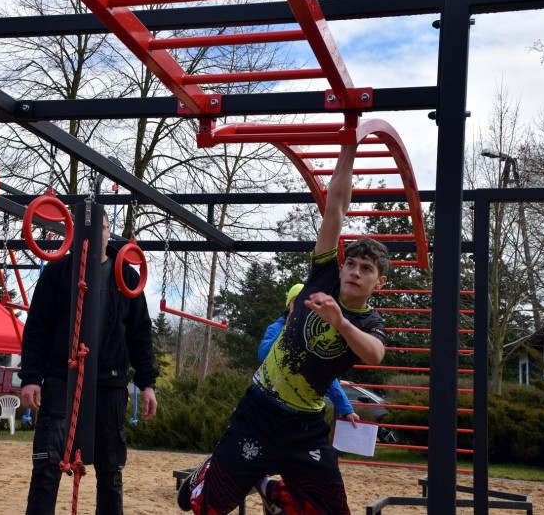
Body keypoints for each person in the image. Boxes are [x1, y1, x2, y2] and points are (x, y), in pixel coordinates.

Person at [178, 143, 389, 515]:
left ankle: (267, 487)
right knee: (201, 507)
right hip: (259, 410)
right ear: (341, 267)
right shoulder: (323, 275)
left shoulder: (368, 322)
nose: (355, 272)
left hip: (305, 426)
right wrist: (348, 144)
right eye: (352, 264)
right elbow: (336, 208)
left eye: (366, 269)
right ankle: (212, 475)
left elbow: (375, 354)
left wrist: (340, 322)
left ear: (379, 282)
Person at [20, 209, 159, 515]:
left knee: (111, 470)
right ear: (75, 234)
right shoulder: (58, 272)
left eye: (103, 227)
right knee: (46, 465)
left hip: (110, 382)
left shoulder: (126, 276)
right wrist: (30, 377)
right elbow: (38, 327)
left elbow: (139, 332)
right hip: (62, 377)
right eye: (90, 228)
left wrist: (147, 383)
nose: (97, 234)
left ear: (109, 232)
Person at [260, 283, 359, 427]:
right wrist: (288, 328)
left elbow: (326, 375)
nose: (301, 307)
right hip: (274, 404)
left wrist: (346, 409)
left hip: (304, 411)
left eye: (305, 303)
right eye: (296, 302)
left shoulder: (314, 335)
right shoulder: (276, 328)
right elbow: (263, 355)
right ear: (289, 305)